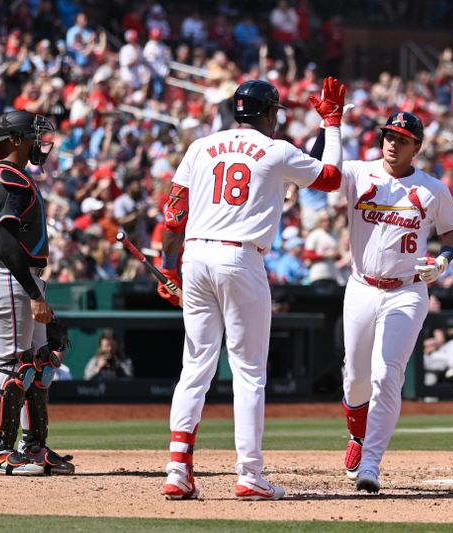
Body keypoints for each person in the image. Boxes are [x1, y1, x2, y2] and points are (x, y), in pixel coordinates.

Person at [157, 77, 346, 500]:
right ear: (267, 113)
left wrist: (170, 267)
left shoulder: (200, 146)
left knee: (196, 366)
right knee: (248, 371)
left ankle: (177, 468)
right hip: (241, 257)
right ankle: (249, 472)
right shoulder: (275, 150)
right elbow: (330, 178)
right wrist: (331, 124)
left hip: (196, 255)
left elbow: (173, 217)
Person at [312, 111, 453, 492]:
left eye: (401, 138)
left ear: (417, 146)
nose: (392, 143)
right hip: (362, 286)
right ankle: (356, 436)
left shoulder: (431, 188)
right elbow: (317, 170)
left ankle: (371, 464)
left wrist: (444, 258)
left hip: (408, 290)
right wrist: (328, 125)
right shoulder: (359, 172)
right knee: (355, 378)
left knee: (387, 374)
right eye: (388, 136)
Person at [0, 110, 74, 476]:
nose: (40, 142)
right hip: (9, 276)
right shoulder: (7, 180)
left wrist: (35, 291)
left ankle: (33, 448)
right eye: (33, 136)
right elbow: (8, 242)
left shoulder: (14, 176)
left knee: (40, 363)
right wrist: (34, 293)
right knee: (14, 366)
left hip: (19, 277)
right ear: (14, 141)